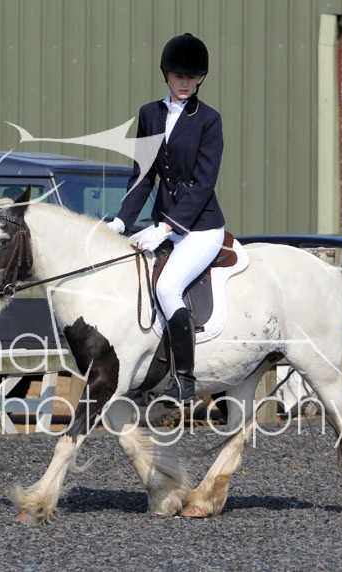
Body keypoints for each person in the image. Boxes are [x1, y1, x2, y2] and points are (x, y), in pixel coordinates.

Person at [106, 32, 226, 405]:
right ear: (166, 74)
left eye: (192, 77)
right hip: (162, 226)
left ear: (201, 78)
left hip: (201, 227)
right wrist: (122, 222)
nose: (185, 83)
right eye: (179, 76)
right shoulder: (150, 114)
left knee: (167, 288)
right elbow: (143, 176)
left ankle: (185, 381)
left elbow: (203, 184)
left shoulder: (209, 120)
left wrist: (167, 226)